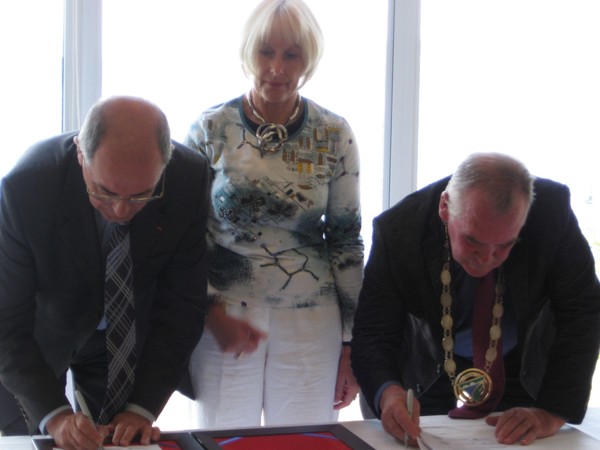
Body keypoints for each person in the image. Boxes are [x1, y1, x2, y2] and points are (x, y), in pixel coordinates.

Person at [184, 0, 363, 428]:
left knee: (302, 440)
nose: (277, 69)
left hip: (311, 318)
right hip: (225, 317)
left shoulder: (334, 134)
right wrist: (209, 311)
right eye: (266, 52)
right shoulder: (211, 129)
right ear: (249, 53)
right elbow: (185, 237)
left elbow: (346, 242)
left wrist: (353, 344)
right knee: (222, 440)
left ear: (309, 59)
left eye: (291, 55)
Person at [0, 96, 211, 449]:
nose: (121, 210)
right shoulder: (26, 187)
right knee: (33, 441)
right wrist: (55, 415)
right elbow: (6, 320)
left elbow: (182, 306)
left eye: (141, 196)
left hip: (122, 338)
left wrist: (142, 408)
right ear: (81, 152)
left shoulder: (189, 178)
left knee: (117, 441)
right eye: (105, 191)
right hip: (40, 338)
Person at [351, 152, 600, 446]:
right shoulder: (400, 230)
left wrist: (552, 411)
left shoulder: (551, 213)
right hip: (427, 361)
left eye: (505, 245)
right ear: (445, 208)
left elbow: (583, 312)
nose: (487, 259)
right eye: (472, 240)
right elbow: (373, 331)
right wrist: (388, 393)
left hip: (520, 359)